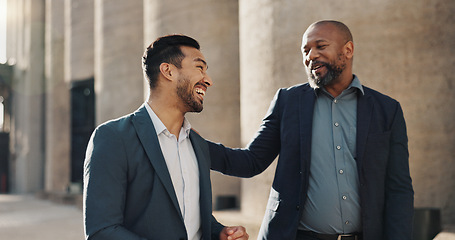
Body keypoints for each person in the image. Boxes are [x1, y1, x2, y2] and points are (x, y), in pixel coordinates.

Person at [208, 20, 414, 240]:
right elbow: (251, 161)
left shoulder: (387, 109)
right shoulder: (288, 102)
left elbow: (398, 189)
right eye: (305, 51)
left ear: (348, 49)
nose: (311, 56)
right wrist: (196, 145)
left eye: (320, 46)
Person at [83, 34, 249, 240]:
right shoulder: (113, 137)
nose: (208, 80)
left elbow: (188, 218)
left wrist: (219, 233)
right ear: (168, 71)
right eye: (199, 68)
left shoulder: (197, 144)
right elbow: (102, 231)